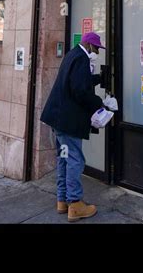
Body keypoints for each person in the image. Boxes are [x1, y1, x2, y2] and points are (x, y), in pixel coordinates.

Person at [40, 30, 117, 222]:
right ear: (90, 45)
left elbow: (78, 81)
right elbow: (80, 91)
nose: (97, 53)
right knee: (75, 160)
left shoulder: (72, 54)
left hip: (58, 119)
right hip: (68, 121)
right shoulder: (82, 58)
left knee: (64, 159)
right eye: (97, 49)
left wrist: (98, 78)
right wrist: (101, 104)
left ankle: (62, 200)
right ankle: (75, 204)